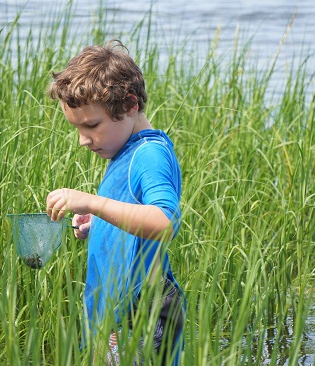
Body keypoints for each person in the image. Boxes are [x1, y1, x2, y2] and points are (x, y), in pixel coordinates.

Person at [46, 40, 185, 365]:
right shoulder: (125, 150)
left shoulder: (148, 155)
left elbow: (164, 222)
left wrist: (94, 203)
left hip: (142, 314)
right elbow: (134, 216)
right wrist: (101, 224)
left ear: (130, 105)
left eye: (91, 125)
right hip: (120, 310)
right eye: (76, 127)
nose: (83, 139)